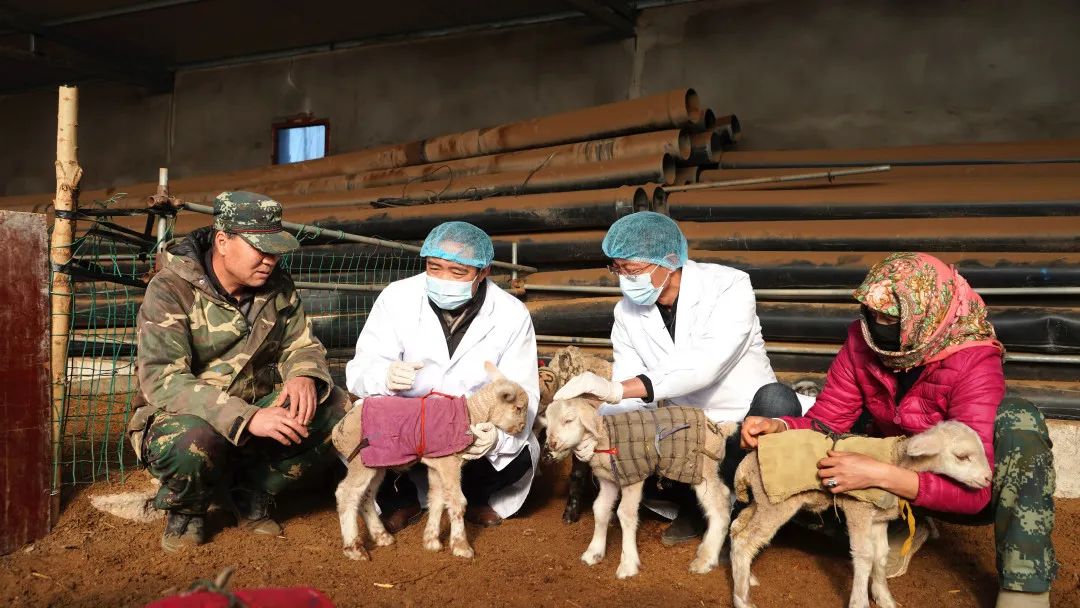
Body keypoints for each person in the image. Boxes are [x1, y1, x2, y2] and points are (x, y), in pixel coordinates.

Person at [741, 252, 1056, 608]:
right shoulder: (863, 342)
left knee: (1018, 420)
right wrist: (780, 426)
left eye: (890, 317)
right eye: (872, 312)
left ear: (924, 314)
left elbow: (976, 493)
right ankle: (896, 524)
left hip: (958, 488)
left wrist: (879, 474)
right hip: (894, 464)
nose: (877, 324)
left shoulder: (973, 360)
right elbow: (827, 422)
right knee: (800, 482)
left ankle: (1024, 588)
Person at [553, 211, 804, 545]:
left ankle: (744, 515)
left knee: (777, 400)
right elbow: (628, 387)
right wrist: (597, 433)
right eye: (618, 269)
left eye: (632, 270)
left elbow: (705, 365)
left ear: (669, 261)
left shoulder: (729, 286)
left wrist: (613, 389)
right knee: (626, 452)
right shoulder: (626, 312)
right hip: (686, 430)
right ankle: (699, 507)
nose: (624, 279)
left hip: (741, 418)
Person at [129, 191, 350, 552]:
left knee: (338, 407)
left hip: (255, 411)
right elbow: (163, 379)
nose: (270, 260)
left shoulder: (278, 287)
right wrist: (245, 418)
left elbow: (302, 345)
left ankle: (251, 491)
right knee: (194, 438)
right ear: (223, 241)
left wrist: (304, 375)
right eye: (260, 249)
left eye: (275, 251)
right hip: (185, 416)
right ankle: (187, 509)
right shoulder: (171, 288)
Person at [345, 221, 539, 529]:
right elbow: (359, 369)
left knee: (520, 452)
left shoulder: (511, 314)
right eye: (434, 267)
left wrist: (494, 438)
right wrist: (384, 376)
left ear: (483, 272)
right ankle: (401, 500)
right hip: (407, 424)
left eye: (458, 272)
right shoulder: (397, 297)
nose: (444, 278)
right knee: (360, 428)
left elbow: (523, 390)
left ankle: (475, 496)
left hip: (468, 428)